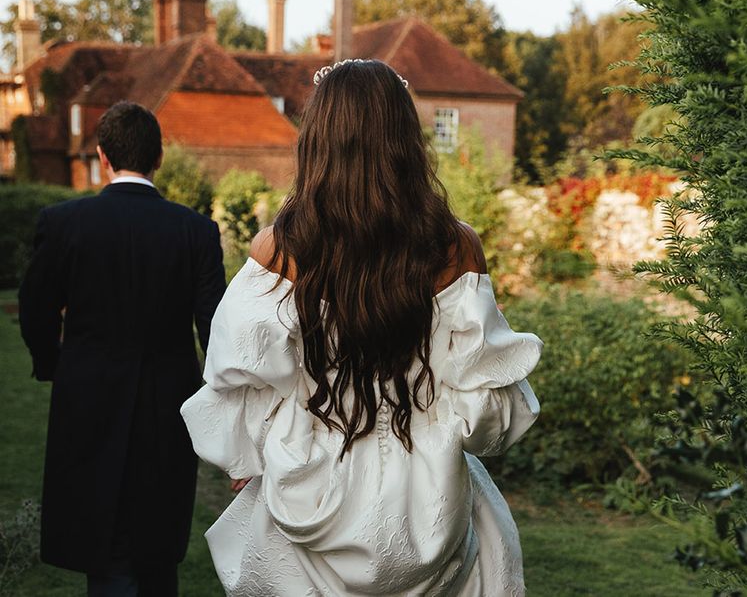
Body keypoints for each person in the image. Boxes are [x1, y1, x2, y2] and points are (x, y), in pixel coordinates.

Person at [181, 59, 542, 596]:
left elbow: (243, 375)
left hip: (312, 485)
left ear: (318, 141)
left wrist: (251, 452)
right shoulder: (453, 247)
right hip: (427, 494)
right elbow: (485, 405)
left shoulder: (280, 250)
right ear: (404, 138)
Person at [19, 101, 226, 597]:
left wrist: (55, 366)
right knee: (156, 547)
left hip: (88, 402)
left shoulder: (65, 222)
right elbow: (216, 331)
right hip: (169, 408)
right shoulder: (195, 230)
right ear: (157, 159)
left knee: (108, 549)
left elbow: (34, 309)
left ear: (102, 157)